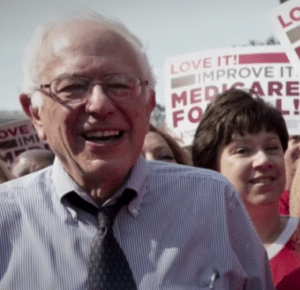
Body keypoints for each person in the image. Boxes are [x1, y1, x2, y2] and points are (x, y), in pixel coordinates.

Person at [0, 13, 274, 289]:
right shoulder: (5, 217)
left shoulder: (213, 200)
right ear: (35, 113)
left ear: (148, 105)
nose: (99, 104)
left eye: (120, 85)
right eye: (72, 87)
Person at [192, 88, 300, 289]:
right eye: (242, 150)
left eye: (272, 148)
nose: (264, 160)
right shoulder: (187, 257)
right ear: (211, 167)